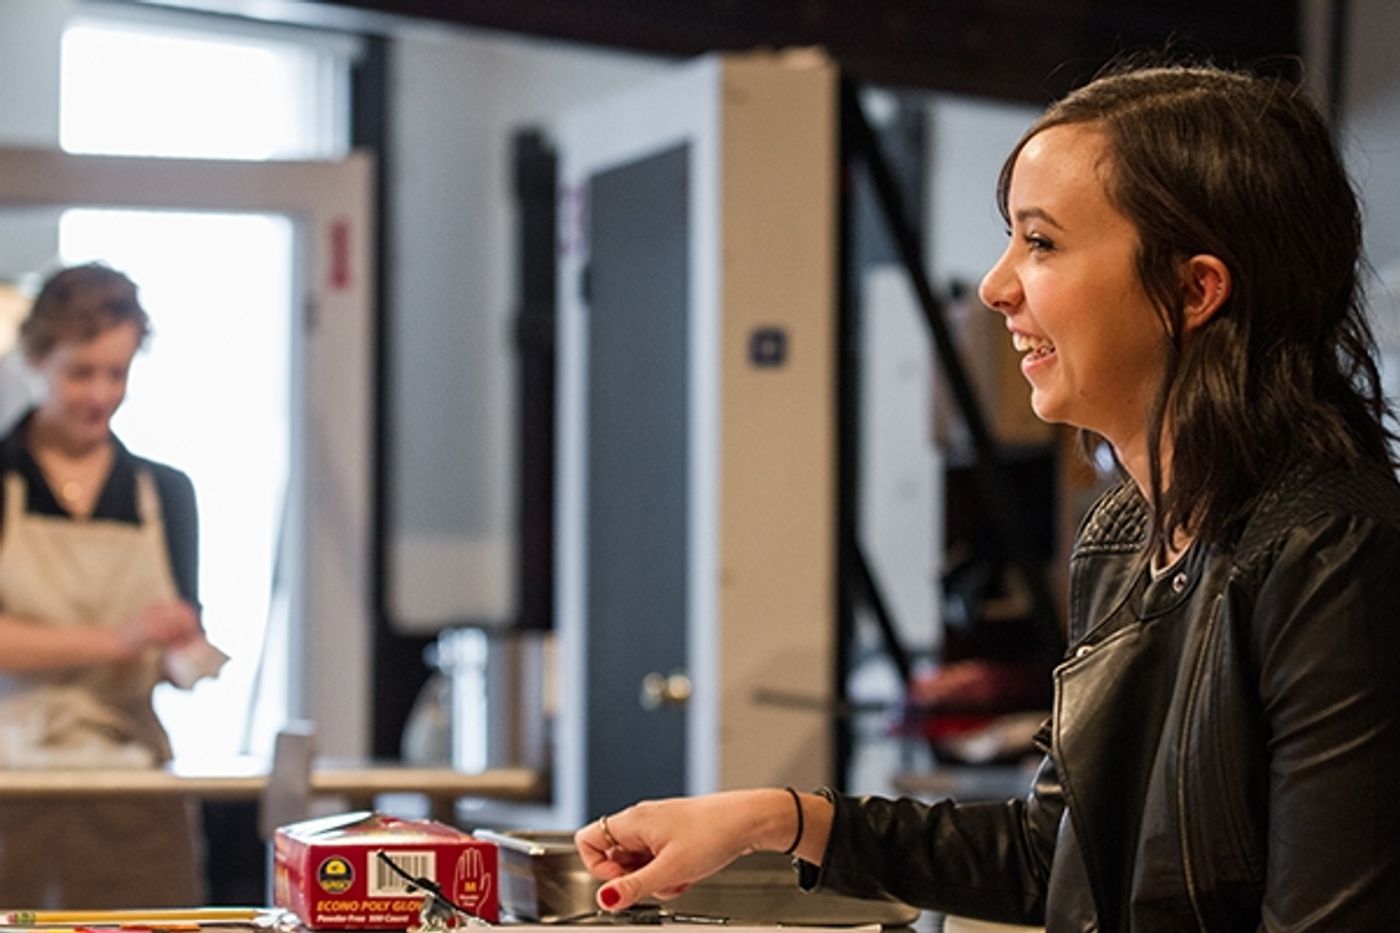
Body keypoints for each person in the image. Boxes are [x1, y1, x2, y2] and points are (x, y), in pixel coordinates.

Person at [574, 62, 1400, 931]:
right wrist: (774, 818)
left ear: (1194, 290)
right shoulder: (1126, 534)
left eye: (1040, 243)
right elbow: (1055, 855)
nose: (995, 285)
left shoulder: (1335, 554)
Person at [0, 262, 223, 906]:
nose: (100, 394)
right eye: (79, 372)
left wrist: (189, 653)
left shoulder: (167, 493)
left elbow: (181, 648)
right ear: (36, 359)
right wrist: (118, 638)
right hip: (12, 784)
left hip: (131, 787)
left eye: (116, 373)